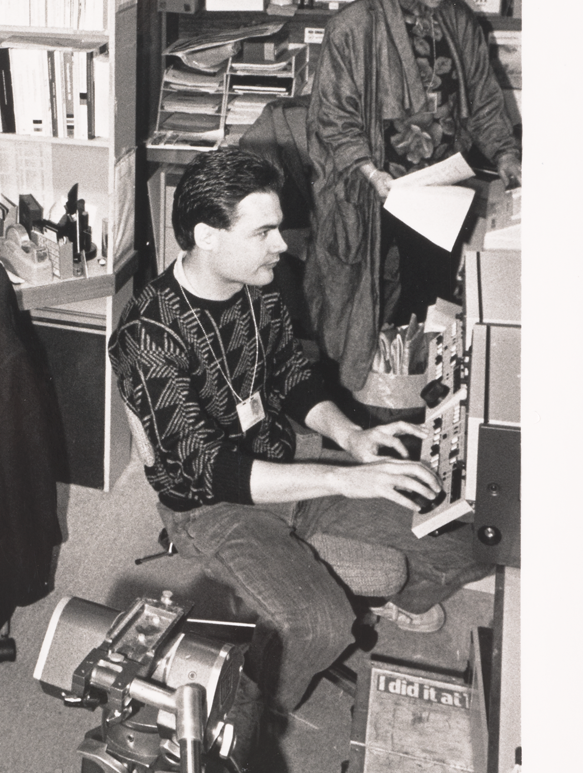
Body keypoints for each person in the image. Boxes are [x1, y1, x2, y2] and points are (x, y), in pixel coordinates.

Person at [107, 146, 494, 716]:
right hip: (210, 508)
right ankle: (252, 715)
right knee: (318, 623)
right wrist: (344, 482)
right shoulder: (149, 338)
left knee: (472, 530)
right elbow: (212, 469)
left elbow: (291, 373)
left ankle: (401, 599)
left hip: (285, 467)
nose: (283, 244)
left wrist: (352, 440)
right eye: (264, 231)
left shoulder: (260, 283)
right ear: (207, 235)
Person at [305, 0, 522, 393]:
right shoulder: (353, 25)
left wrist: (506, 156)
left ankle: (420, 403)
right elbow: (332, 116)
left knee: (434, 298)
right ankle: (355, 406)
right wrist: (368, 169)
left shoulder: (459, 21)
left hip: (441, 189)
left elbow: (484, 100)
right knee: (358, 298)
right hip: (372, 188)